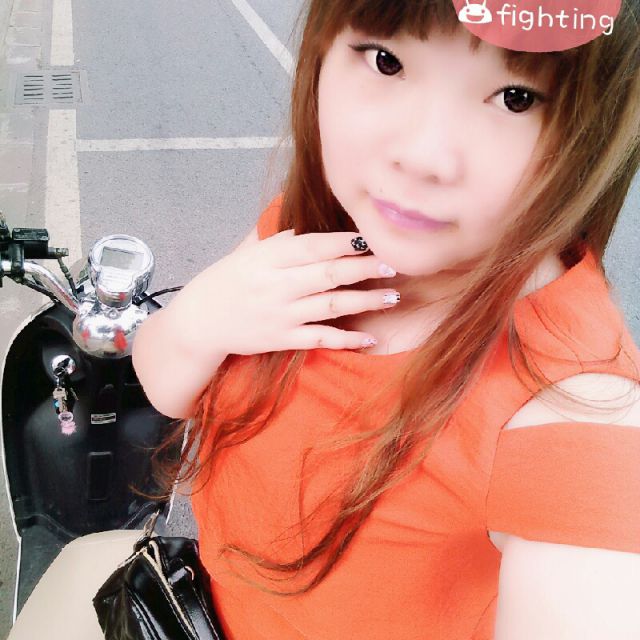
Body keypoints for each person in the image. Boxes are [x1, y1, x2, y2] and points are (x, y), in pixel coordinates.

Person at [8, 0, 640, 638]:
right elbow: (165, 385)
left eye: (516, 98)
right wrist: (204, 317)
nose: (423, 157)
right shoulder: (318, 235)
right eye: (387, 62)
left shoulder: (575, 407)